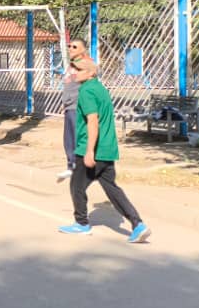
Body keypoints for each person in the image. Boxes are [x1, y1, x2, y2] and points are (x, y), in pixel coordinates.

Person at [58, 56, 151, 242]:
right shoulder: (101, 88)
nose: (75, 72)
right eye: (74, 69)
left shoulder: (86, 91)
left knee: (76, 185)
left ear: (91, 73)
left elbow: (93, 121)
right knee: (112, 189)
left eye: (79, 69)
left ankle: (81, 223)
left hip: (92, 148)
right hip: (108, 149)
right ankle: (138, 224)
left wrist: (89, 151)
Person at [57, 39, 87, 181]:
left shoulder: (85, 65)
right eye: (69, 46)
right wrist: (64, 102)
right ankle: (71, 166)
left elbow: (86, 87)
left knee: (77, 137)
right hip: (69, 106)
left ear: (83, 49)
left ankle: (80, 168)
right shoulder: (72, 65)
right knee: (68, 139)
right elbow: (68, 86)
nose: (70, 49)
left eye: (74, 47)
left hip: (78, 106)